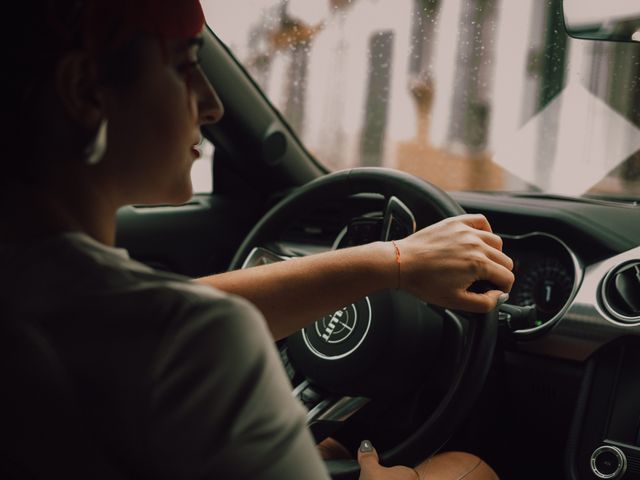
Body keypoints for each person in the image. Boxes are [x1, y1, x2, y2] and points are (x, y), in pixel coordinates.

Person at [0, 0, 513, 478]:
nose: (213, 105)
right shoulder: (198, 340)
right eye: (184, 65)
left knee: (332, 449)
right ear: (86, 89)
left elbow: (136, 315)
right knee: (464, 467)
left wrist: (392, 261)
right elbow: (174, 324)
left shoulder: (67, 303)